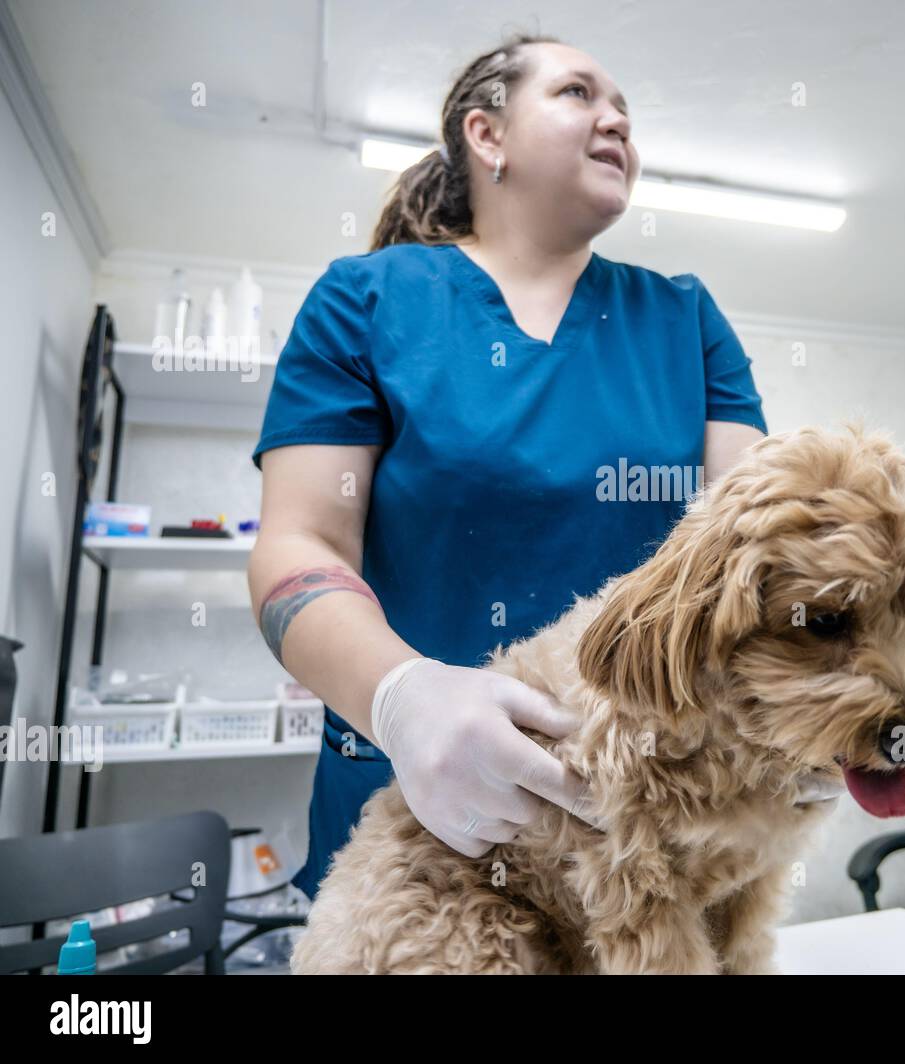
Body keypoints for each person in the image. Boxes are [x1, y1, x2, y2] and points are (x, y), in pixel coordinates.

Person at [247, 33, 829, 904]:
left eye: (625, 107)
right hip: (407, 811)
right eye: (577, 93)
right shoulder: (366, 300)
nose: (617, 119)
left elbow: (756, 553)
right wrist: (402, 699)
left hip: (637, 815)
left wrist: (816, 687)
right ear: (488, 136)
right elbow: (300, 543)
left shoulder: (684, 320)